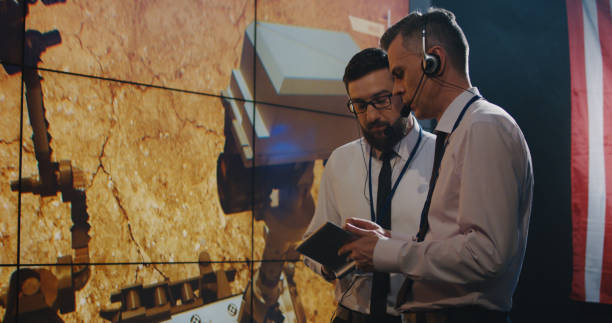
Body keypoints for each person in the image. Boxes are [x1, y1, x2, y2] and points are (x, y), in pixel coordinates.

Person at [338, 8, 534, 323]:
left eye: (399, 74)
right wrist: (388, 241)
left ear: (435, 61)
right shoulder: (463, 129)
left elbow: (486, 254)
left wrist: (385, 253)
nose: (397, 90)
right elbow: (453, 243)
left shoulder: (484, 127)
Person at [303, 48, 435, 323]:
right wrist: (329, 265)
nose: (371, 115)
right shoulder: (340, 160)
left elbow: (457, 254)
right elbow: (312, 241)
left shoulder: (443, 157)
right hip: (351, 315)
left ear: (402, 90)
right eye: (360, 105)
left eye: (381, 100)